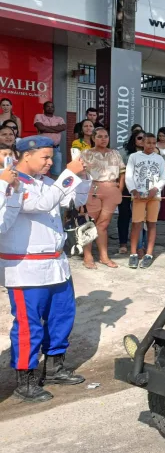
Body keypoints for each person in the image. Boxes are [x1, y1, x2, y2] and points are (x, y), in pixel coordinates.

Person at [0, 136, 90, 402]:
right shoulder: (12, 182)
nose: (50, 162)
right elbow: (41, 204)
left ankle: (54, 367)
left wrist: (83, 175)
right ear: (26, 156)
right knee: (29, 325)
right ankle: (25, 379)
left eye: (52, 157)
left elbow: (75, 198)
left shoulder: (46, 182)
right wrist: (68, 173)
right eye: (45, 157)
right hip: (25, 267)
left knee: (61, 317)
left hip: (55, 264)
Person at [80, 127, 125, 269]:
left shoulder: (115, 153)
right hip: (92, 188)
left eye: (106, 136)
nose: (103, 139)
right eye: (100, 136)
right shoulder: (86, 153)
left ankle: (104, 256)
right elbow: (78, 173)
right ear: (93, 138)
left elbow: (122, 172)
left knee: (104, 224)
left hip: (111, 188)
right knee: (89, 223)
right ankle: (87, 256)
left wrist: (119, 189)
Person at [125, 133, 165, 269]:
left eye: (154, 143)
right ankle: (133, 254)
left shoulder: (159, 159)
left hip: (154, 196)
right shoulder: (134, 157)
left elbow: (163, 177)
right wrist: (133, 190)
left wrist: (156, 188)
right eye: (148, 143)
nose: (151, 146)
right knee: (137, 224)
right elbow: (129, 175)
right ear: (142, 143)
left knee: (152, 224)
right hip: (139, 196)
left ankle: (149, 254)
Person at [117, 131, 145, 255]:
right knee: (124, 214)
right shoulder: (124, 153)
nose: (142, 141)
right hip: (126, 187)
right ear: (133, 139)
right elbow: (119, 171)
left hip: (142, 188)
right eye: (139, 138)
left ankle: (139, 244)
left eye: (145, 138)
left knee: (139, 216)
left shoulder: (150, 154)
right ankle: (123, 243)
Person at [33, 101, 66, 176]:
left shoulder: (59, 118)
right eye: (48, 106)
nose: (50, 108)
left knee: (57, 172)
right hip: (42, 148)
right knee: (41, 171)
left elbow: (63, 127)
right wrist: (56, 129)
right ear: (44, 108)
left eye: (52, 107)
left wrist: (46, 128)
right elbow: (41, 127)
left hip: (56, 149)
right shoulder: (39, 116)